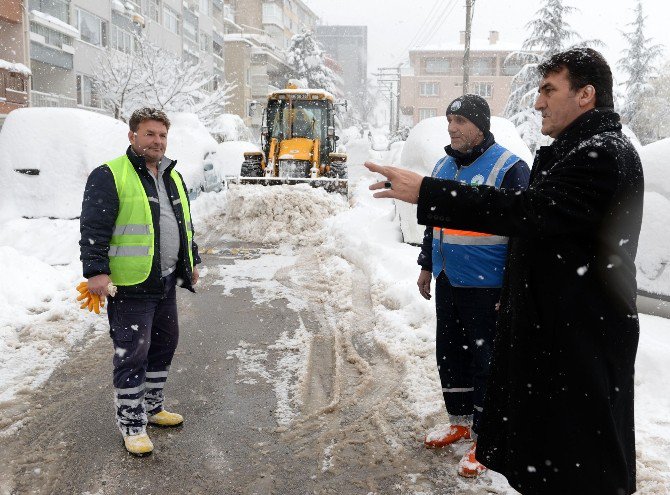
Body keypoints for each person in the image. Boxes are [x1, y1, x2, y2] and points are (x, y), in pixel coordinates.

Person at [366, 48, 644, 495]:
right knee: (553, 454)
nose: (537, 103)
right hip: (556, 330)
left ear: (586, 95)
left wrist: (427, 192)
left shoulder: (601, 154)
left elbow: (526, 212)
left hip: (579, 339)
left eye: (549, 90)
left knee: (581, 463)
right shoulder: (577, 150)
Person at [417, 94, 530, 478]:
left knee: (488, 362)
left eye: (461, 121)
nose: (452, 128)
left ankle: (487, 440)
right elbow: (434, 224)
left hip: (489, 287)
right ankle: (460, 422)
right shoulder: (442, 165)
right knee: (449, 353)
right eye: (450, 120)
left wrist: (512, 290)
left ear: (481, 126)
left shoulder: (509, 168)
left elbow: (523, 237)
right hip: (449, 278)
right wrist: (426, 267)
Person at [80, 107, 201, 456]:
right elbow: (94, 228)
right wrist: (96, 271)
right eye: (149, 134)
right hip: (130, 283)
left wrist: (190, 260)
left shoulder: (172, 176)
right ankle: (131, 423)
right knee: (132, 352)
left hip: (163, 280)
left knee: (164, 344)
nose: (157, 141)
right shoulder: (110, 175)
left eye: (162, 135)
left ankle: (152, 407)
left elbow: (184, 225)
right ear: (132, 136)